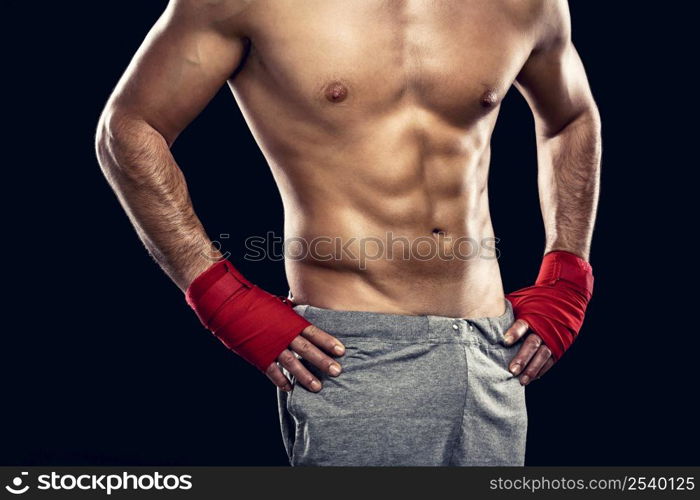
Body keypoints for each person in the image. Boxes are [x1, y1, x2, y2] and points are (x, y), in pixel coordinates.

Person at [96, 0, 601, 466]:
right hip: (346, 354)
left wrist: (567, 276)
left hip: (491, 351)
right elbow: (128, 129)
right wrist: (218, 296)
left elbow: (572, 118)